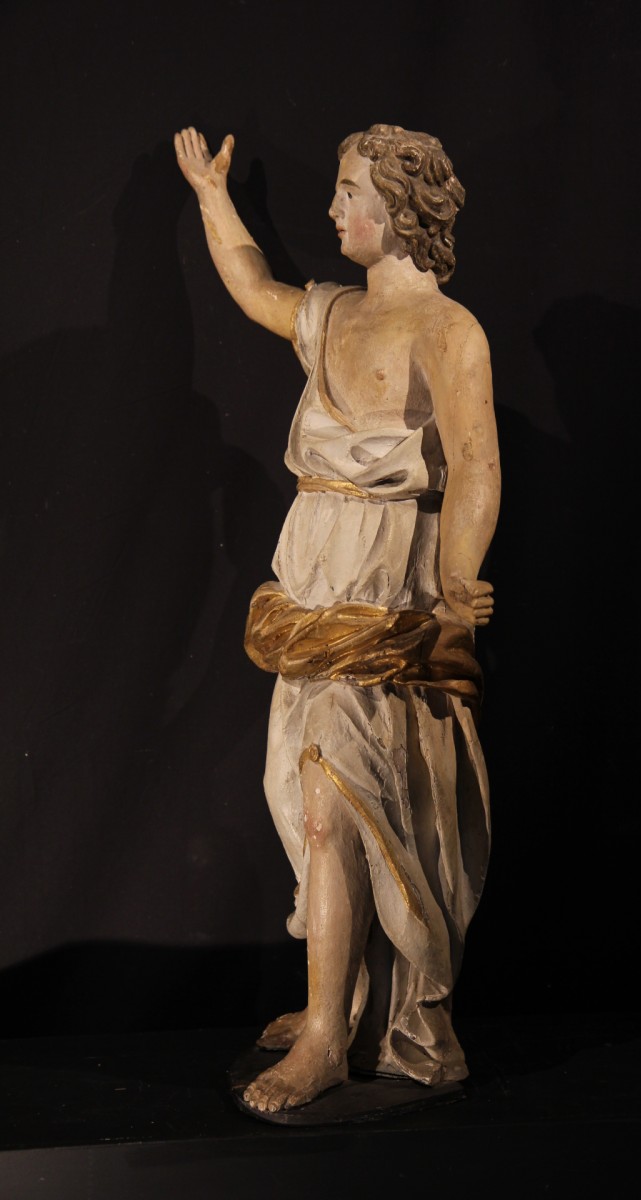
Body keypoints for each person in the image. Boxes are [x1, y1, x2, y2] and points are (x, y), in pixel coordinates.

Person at [174, 123, 500, 1113]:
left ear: (398, 209)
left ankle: (327, 1034)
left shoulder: (447, 331)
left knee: (345, 804)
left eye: (348, 192)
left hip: (387, 591)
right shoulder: (332, 314)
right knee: (303, 800)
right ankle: (345, 997)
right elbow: (253, 287)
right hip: (314, 580)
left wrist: (457, 584)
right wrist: (212, 198)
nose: (332, 209)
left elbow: (476, 466)